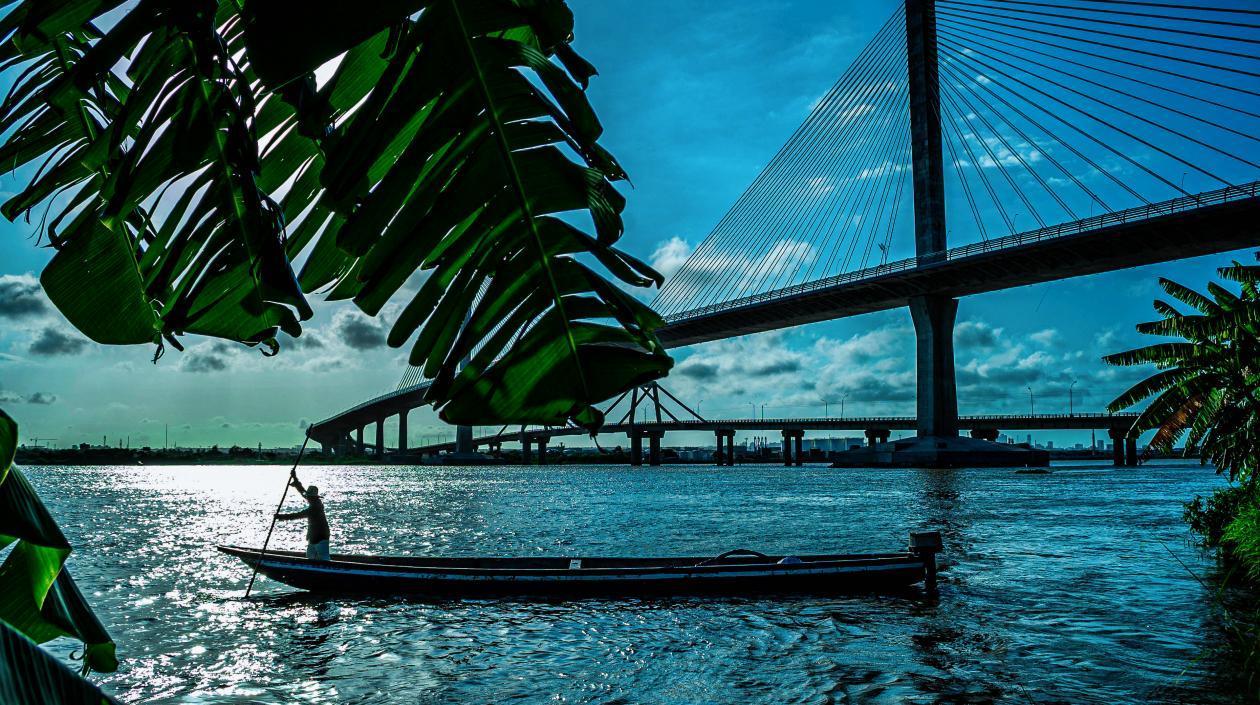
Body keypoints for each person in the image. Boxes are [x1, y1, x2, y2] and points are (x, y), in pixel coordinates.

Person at [275, 473, 331, 561]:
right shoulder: (313, 501)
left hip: (321, 537)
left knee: (324, 558)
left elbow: (297, 515)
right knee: (310, 557)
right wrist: (296, 480)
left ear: (313, 497)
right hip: (313, 537)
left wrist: (281, 517)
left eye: (308, 497)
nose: (307, 498)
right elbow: (303, 492)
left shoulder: (315, 507)